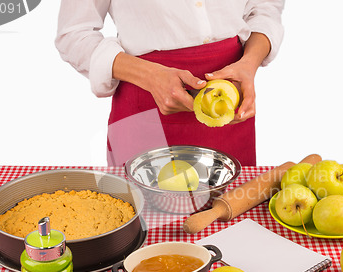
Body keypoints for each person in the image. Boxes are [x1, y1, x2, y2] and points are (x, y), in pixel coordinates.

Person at [55, 1, 284, 167]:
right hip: (145, 106)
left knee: (233, 219)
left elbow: (264, 8)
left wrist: (249, 63)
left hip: (231, 105)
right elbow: (74, 34)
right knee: (147, 224)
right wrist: (150, 76)